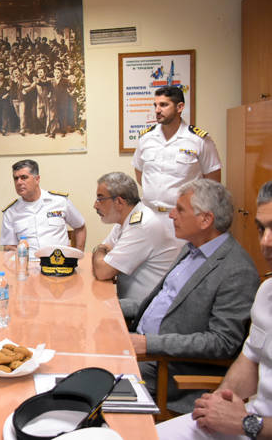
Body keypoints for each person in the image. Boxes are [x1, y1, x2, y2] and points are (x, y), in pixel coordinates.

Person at [128, 179, 259, 413]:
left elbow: (222, 342)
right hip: (142, 347)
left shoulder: (237, 270)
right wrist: (111, 307)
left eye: (180, 210)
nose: (171, 215)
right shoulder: (190, 249)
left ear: (205, 219)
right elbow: (162, 304)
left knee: (92, 373)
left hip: (166, 368)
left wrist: (149, 343)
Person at [155, 181, 272, 439]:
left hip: (254, 426)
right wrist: (218, 401)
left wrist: (248, 424)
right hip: (247, 419)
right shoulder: (267, 293)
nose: (266, 242)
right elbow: (250, 358)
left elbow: (222, 341)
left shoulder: (237, 269)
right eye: (262, 229)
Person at [91, 172, 182, 320]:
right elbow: (104, 249)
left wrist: (100, 250)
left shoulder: (141, 224)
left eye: (100, 199)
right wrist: (102, 251)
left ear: (119, 202)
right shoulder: (126, 219)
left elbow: (103, 271)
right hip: (133, 305)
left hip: (147, 312)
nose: (95, 205)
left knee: (91, 312)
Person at [132, 86, 222, 219]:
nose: (157, 110)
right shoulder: (146, 138)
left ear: (179, 107)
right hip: (149, 214)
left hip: (183, 215)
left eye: (163, 105)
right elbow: (140, 173)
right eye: (155, 105)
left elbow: (213, 182)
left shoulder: (199, 140)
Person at [1, 159, 86, 258]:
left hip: (59, 263)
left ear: (37, 179)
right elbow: (9, 247)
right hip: (29, 263)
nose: (19, 182)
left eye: (24, 177)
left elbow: (80, 226)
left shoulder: (60, 201)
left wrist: (78, 257)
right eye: (16, 178)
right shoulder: (11, 212)